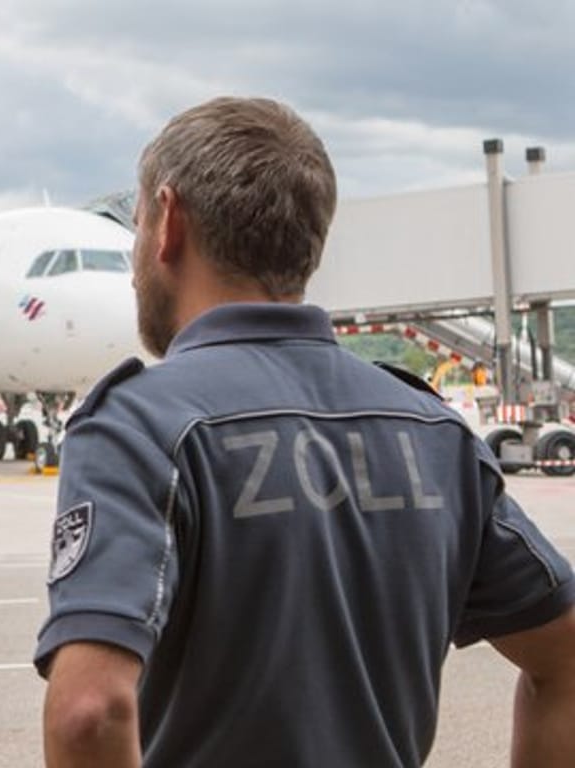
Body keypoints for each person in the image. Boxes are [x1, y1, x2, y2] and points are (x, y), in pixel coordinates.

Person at [35, 97, 575, 767]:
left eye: (139, 223)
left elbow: (90, 712)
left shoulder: (142, 425)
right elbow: (566, 659)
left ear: (169, 223)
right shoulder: (434, 432)